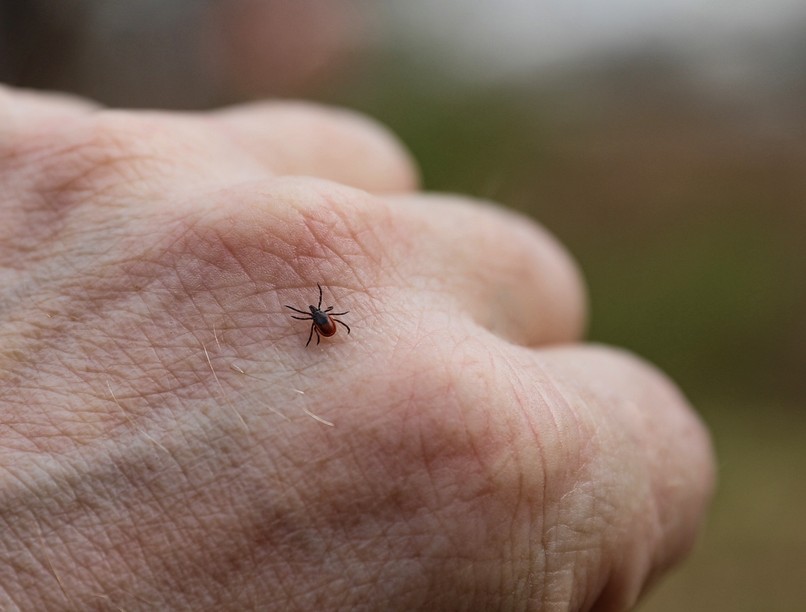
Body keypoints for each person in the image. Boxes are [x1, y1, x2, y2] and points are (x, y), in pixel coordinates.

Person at [0, 84, 714, 610]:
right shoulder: (320, 316)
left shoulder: (320, 318)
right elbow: (318, 315)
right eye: (317, 315)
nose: (317, 317)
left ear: (324, 316)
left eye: (319, 314)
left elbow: (321, 317)